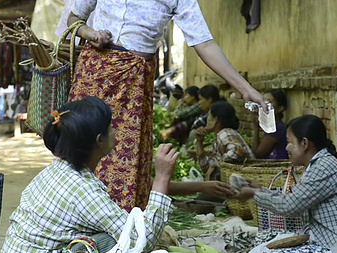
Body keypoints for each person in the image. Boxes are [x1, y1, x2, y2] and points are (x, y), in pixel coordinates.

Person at [63, 1, 267, 213]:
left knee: (125, 165)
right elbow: (74, 18)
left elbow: (204, 44)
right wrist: (89, 32)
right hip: (94, 73)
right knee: (78, 149)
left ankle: (115, 234)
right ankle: (70, 225)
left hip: (134, 84)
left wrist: (246, 89)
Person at [0, 97, 179, 253]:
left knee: (107, 239)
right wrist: (162, 178)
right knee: (113, 243)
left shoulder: (61, 170)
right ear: (100, 141)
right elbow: (142, 241)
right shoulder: (81, 189)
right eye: (110, 127)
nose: (115, 130)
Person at [236, 115, 337, 253]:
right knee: (262, 238)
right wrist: (259, 189)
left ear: (304, 144)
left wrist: (254, 194)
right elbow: (294, 198)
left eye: (289, 142)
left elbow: (290, 206)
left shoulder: (324, 167)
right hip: (320, 238)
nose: (287, 148)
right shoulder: (317, 163)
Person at [195, 101, 255, 181]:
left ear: (215, 119)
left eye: (209, 115)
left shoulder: (225, 133)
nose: (207, 119)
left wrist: (215, 165)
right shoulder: (219, 137)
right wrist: (199, 142)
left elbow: (237, 151)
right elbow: (206, 168)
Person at [251, 89, 288, 159]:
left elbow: (258, 155)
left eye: (269, 102)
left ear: (280, 108)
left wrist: (256, 129)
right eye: (263, 101)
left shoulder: (276, 128)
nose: (263, 105)